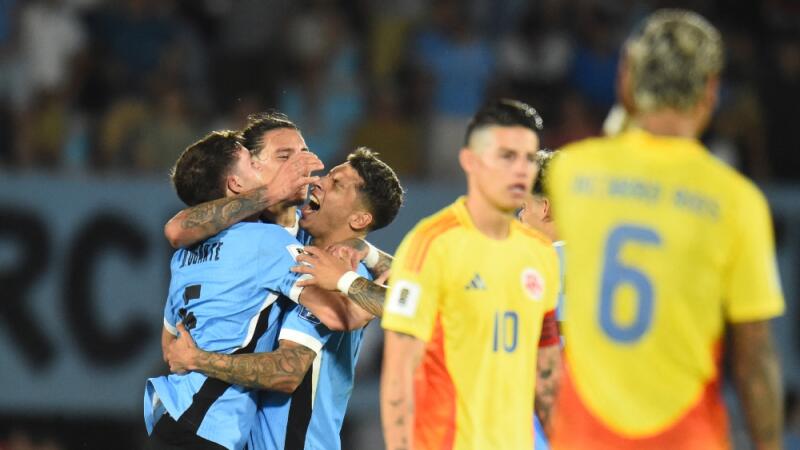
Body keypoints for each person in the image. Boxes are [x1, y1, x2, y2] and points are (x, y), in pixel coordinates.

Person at [546, 9, 785, 450]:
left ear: (627, 80)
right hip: (687, 434)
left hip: (584, 433)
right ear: (711, 91)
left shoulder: (573, 174)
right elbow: (755, 362)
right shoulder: (735, 200)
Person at [163, 147, 404, 450]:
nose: (319, 182)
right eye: (328, 175)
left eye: (336, 184)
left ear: (359, 218)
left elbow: (285, 374)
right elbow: (177, 228)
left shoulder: (341, 279)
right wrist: (368, 251)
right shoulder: (293, 245)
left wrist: (199, 360)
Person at [380, 99, 562, 449]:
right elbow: (399, 377)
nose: (521, 170)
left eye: (527, 157)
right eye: (507, 156)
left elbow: (546, 378)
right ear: (471, 161)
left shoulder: (539, 255)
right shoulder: (431, 244)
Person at [518, 149, 564, 450]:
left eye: (522, 208)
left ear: (544, 208)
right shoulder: (603, 267)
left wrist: (349, 281)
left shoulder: (532, 266)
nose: (519, 218)